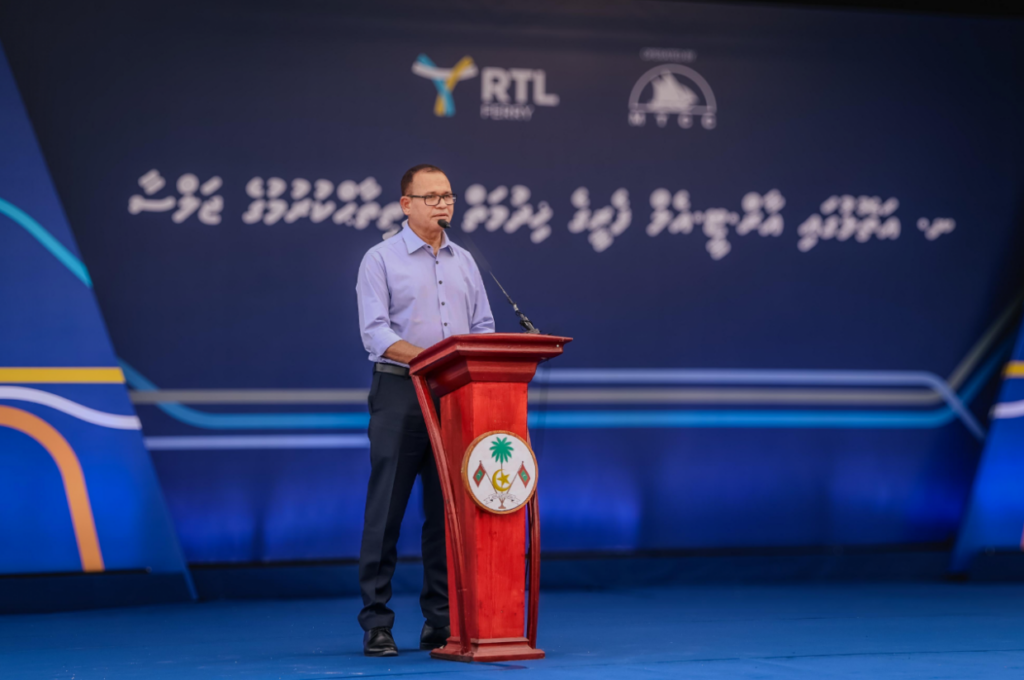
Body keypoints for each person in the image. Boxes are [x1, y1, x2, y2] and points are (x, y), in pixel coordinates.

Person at [355, 164, 495, 656]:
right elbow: (376, 333)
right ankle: (377, 621)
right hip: (401, 392)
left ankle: (441, 620)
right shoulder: (380, 259)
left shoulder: (465, 261)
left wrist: (468, 365)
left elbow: (483, 327)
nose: (442, 204)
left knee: (447, 514)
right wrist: (436, 359)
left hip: (455, 396)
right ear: (406, 204)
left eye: (448, 196)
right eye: (431, 196)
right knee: (386, 511)